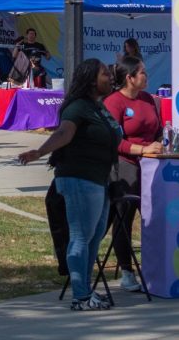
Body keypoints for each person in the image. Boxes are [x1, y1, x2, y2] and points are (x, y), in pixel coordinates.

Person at [19, 58, 121, 310]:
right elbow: (64, 133)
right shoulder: (77, 107)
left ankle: (86, 291)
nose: (109, 77)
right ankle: (80, 297)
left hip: (99, 179)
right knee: (80, 236)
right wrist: (39, 152)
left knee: (93, 238)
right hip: (79, 178)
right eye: (104, 74)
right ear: (90, 80)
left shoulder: (98, 107)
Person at [103, 56, 163, 291]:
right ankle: (127, 271)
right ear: (129, 78)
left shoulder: (148, 99)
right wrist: (141, 149)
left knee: (154, 215)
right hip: (125, 165)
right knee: (124, 217)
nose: (146, 76)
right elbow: (114, 140)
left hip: (152, 164)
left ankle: (155, 267)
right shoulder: (113, 102)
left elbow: (158, 129)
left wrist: (159, 143)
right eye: (142, 73)